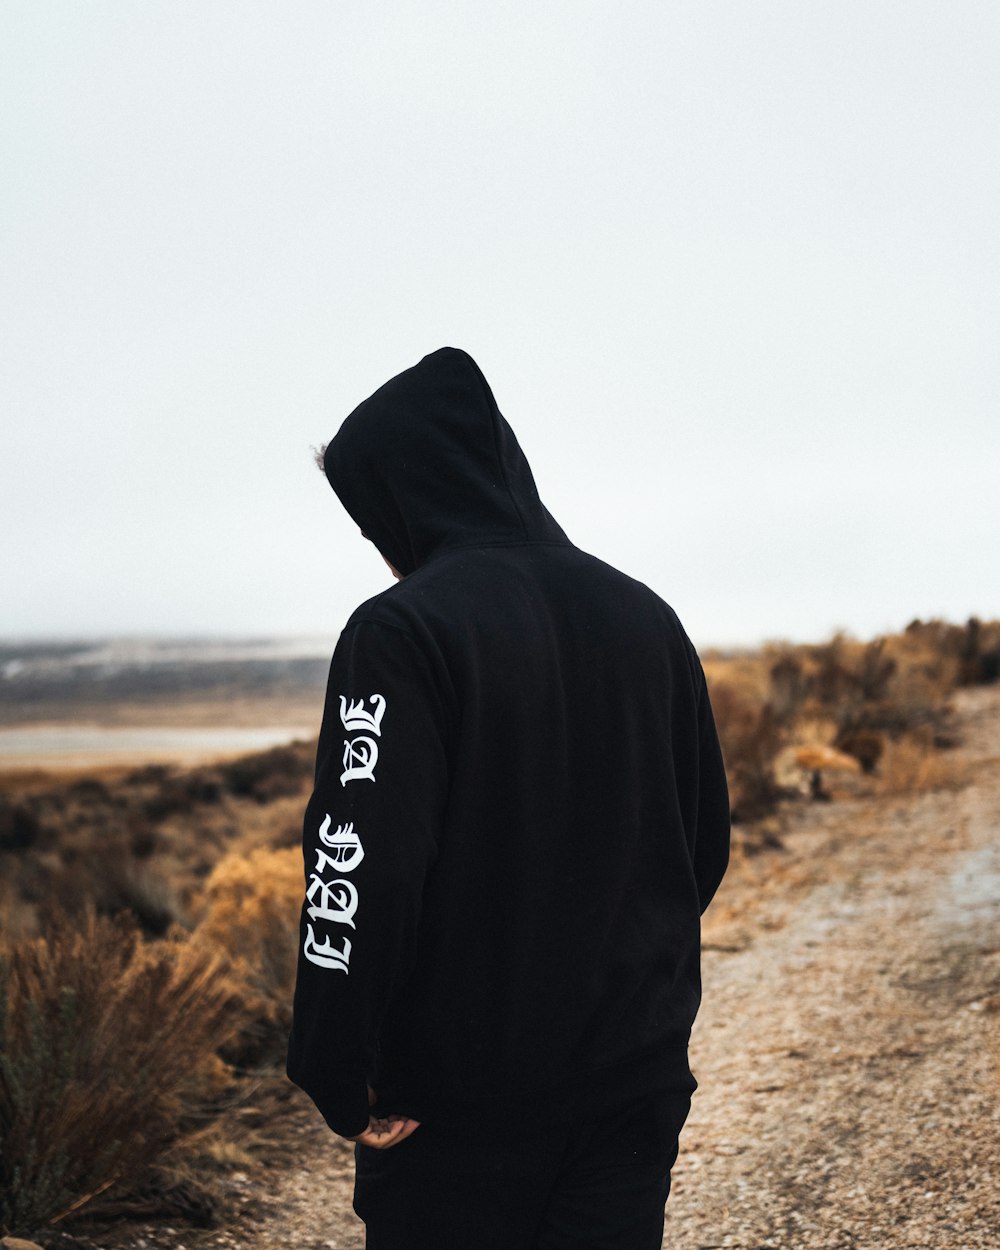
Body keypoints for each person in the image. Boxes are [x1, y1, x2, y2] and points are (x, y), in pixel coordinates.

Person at [286, 347, 730, 1249]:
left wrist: (334, 1066)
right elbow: (702, 846)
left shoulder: (402, 631)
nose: (379, 543)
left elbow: (359, 867)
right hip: (632, 1084)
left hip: (456, 1112)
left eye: (374, 514)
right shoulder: (648, 615)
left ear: (402, 499)